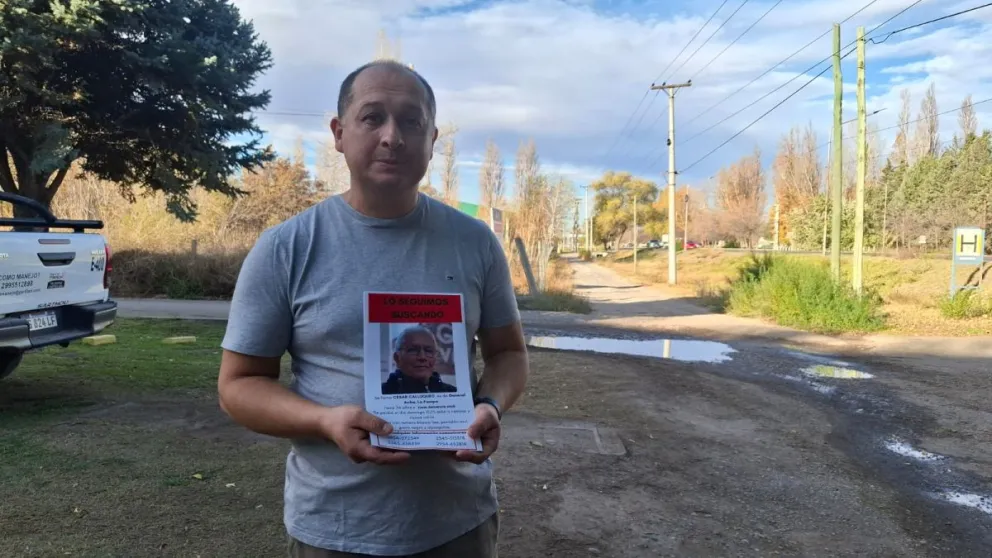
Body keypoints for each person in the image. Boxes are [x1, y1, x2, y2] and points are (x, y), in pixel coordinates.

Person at [216, 59, 529, 558]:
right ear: (339, 133)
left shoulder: (476, 243)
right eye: (372, 117)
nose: (392, 136)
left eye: (411, 121)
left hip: (457, 525)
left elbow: (508, 353)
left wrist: (489, 404)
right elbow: (238, 387)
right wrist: (324, 421)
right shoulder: (286, 247)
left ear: (432, 138)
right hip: (333, 529)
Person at [382, 326, 457, 395]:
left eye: (428, 351)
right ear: (397, 358)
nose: (422, 357)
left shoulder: (452, 393)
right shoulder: (383, 392)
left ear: (435, 357)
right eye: (413, 350)